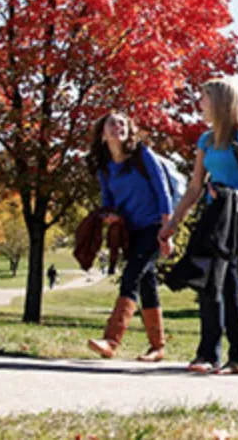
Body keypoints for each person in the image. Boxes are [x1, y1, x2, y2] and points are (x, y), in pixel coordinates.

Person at [159, 79, 238, 374]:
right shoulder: (206, 141)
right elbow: (195, 187)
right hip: (214, 216)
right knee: (223, 279)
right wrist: (173, 222)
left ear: (220, 102)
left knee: (217, 275)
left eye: (205, 99)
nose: (200, 104)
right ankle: (236, 357)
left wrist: (234, 195)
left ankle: (210, 354)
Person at [85, 113, 174, 362]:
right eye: (112, 123)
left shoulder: (141, 154)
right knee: (147, 284)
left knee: (131, 276)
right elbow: (107, 200)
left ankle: (111, 341)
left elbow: (162, 190)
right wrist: (109, 215)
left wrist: (167, 232)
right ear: (103, 133)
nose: (118, 127)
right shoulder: (104, 164)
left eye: (123, 123)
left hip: (153, 226)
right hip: (130, 230)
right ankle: (158, 347)